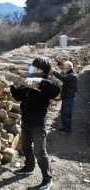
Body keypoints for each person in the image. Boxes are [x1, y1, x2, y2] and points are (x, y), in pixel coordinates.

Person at [10, 57, 60, 190]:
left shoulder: (46, 82)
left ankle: (47, 179)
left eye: (33, 66)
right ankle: (28, 167)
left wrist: (41, 81)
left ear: (40, 69)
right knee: (26, 146)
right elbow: (18, 97)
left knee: (40, 151)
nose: (30, 67)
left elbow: (55, 91)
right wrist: (13, 86)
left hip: (38, 123)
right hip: (26, 120)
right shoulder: (28, 80)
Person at [52, 61, 78, 134]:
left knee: (66, 114)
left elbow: (63, 78)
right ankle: (65, 128)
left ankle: (67, 130)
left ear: (69, 67)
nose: (64, 69)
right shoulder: (70, 73)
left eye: (65, 67)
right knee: (64, 113)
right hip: (66, 97)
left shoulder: (73, 75)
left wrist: (54, 72)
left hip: (69, 97)